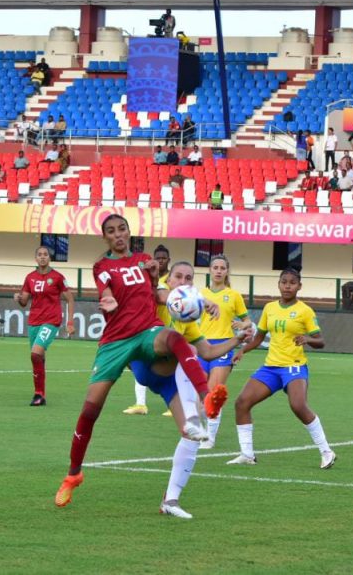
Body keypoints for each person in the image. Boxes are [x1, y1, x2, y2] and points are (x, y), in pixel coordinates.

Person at [54, 214, 227, 508]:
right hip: (116, 341)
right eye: (111, 231)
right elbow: (106, 289)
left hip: (148, 331)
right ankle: (73, 476)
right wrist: (108, 301)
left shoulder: (145, 260)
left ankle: (207, 395)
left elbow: (161, 295)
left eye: (122, 229)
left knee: (175, 338)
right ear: (105, 237)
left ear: (129, 232)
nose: (118, 235)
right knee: (90, 410)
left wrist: (199, 300)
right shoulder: (103, 266)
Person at [147, 260, 249, 519]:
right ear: (168, 281)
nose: (182, 282)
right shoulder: (158, 296)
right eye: (178, 277)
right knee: (186, 349)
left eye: (188, 279)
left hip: (172, 376)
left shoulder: (187, 320)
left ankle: (170, 500)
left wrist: (237, 340)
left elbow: (209, 351)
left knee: (192, 435)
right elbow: (157, 294)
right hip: (145, 363)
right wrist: (203, 301)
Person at [228, 268, 337, 469]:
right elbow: (259, 338)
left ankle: (326, 452)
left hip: (293, 367)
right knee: (242, 402)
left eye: (292, 282)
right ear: (278, 284)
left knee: (298, 405)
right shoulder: (269, 308)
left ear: (299, 286)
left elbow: (321, 341)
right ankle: (247, 454)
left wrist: (308, 339)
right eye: (284, 282)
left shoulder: (305, 311)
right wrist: (242, 351)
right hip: (271, 367)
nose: (287, 286)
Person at [196, 254, 250, 449]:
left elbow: (247, 320)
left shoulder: (233, 295)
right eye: (215, 267)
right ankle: (201, 431)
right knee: (199, 395)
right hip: (202, 345)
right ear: (210, 270)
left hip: (224, 346)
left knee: (213, 393)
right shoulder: (200, 293)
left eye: (222, 268)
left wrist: (241, 324)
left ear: (227, 271)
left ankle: (210, 438)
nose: (218, 271)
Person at [14, 246, 76, 406]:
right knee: (39, 358)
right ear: (36, 258)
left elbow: (70, 299)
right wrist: (19, 298)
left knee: (35, 354)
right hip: (34, 321)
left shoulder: (57, 277)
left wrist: (70, 322)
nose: (43, 257)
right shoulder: (30, 278)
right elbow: (24, 302)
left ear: (49, 258)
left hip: (51, 320)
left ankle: (38, 394)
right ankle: (40, 395)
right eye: (40, 255)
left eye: (45, 255)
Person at [124, 244, 173, 416]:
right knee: (139, 362)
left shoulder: (171, 279)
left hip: (166, 327)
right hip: (146, 327)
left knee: (168, 367)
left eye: (163, 258)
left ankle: (173, 404)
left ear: (168, 260)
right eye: (157, 258)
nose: (160, 261)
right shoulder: (147, 276)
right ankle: (140, 404)